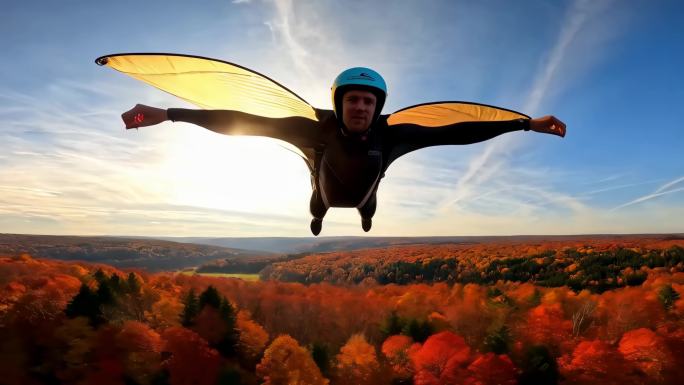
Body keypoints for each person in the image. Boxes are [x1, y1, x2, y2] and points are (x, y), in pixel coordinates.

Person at [121, 67, 566, 236]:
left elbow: (458, 131)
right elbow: (243, 122)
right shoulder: (314, 128)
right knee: (318, 202)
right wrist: (170, 114)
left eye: (368, 101)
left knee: (368, 202)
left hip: (367, 187)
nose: (360, 107)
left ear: (378, 108)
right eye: (353, 99)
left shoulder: (391, 135)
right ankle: (319, 217)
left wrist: (525, 124)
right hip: (326, 188)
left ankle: (365, 217)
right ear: (339, 103)